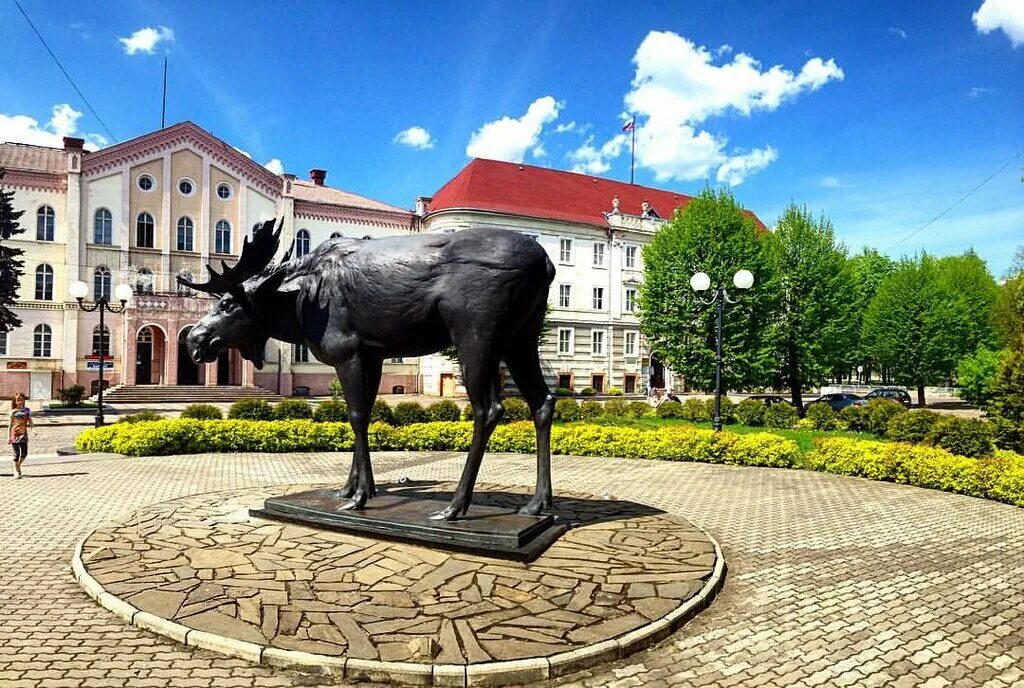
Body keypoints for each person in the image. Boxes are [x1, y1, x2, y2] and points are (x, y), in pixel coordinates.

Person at [8, 393, 32, 479]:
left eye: (22, 399)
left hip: (24, 435)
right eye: (18, 400)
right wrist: (8, 437)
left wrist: (33, 429)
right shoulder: (12, 412)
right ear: (15, 402)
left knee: (24, 454)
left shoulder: (27, 410)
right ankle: (16, 470)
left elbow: (30, 421)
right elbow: (10, 425)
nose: (20, 402)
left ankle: (17, 466)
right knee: (16, 454)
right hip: (14, 435)